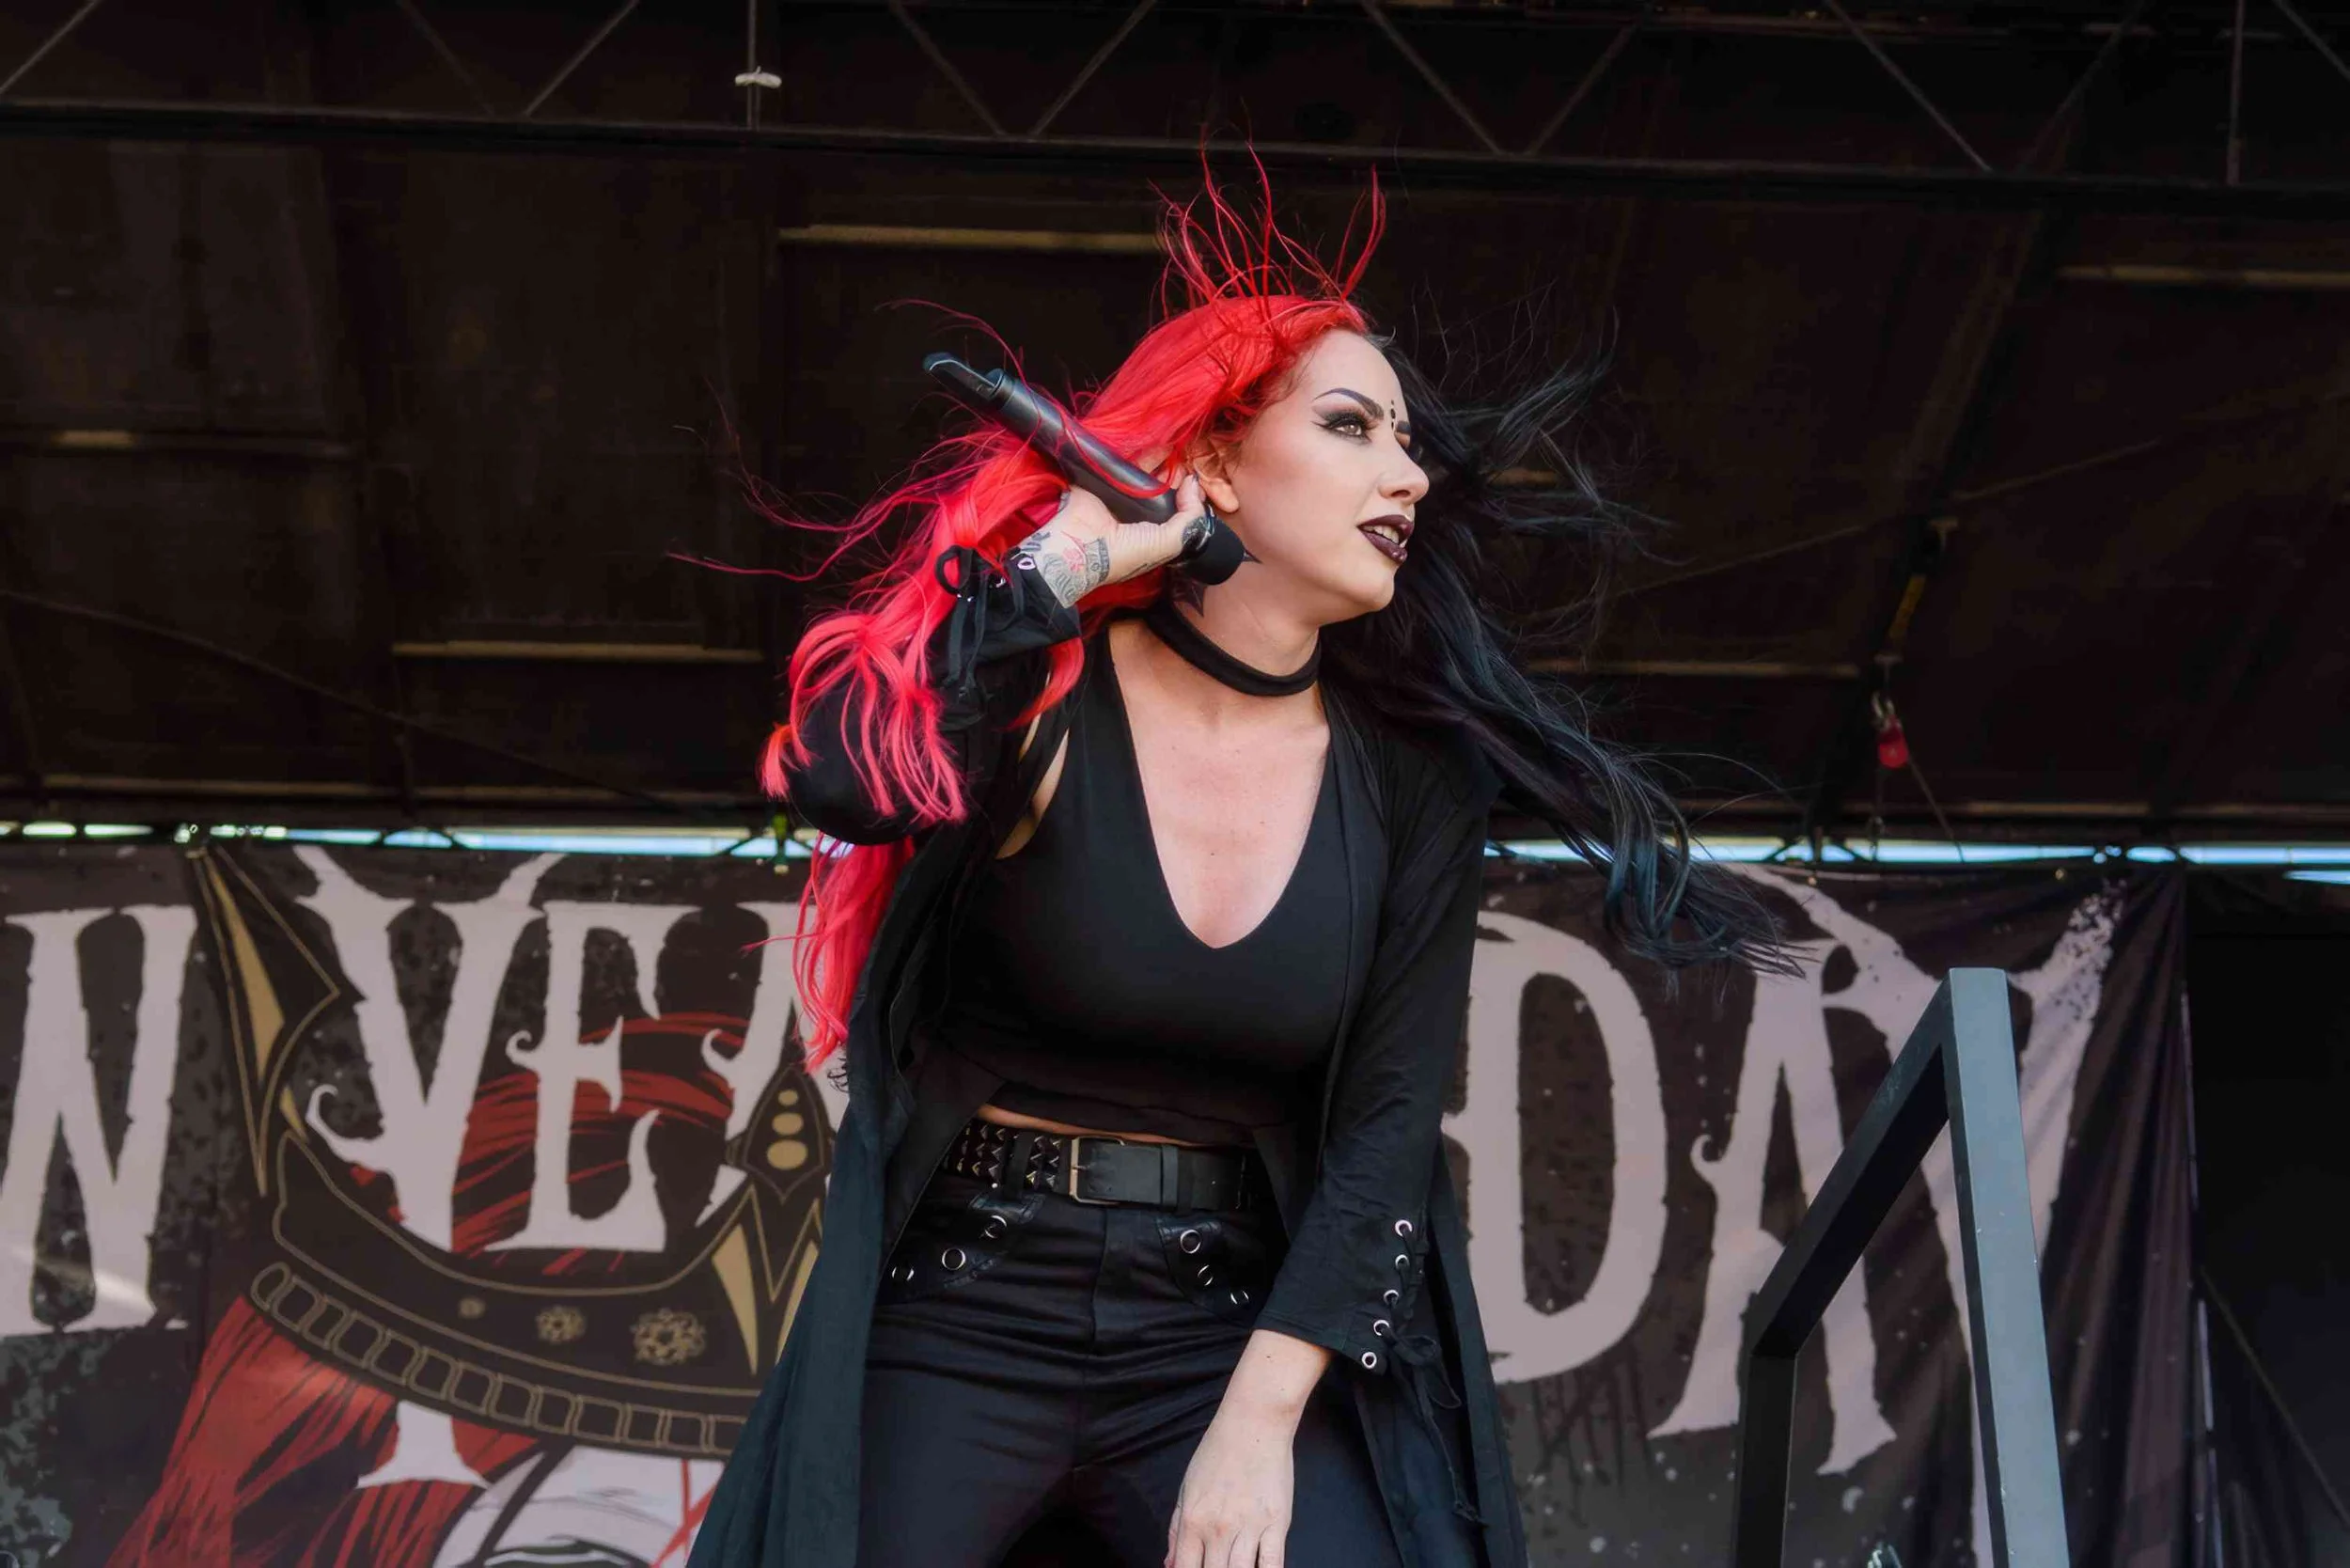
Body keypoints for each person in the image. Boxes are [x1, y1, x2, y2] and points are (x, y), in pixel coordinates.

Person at [689, 173, 1777, 1568]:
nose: (1408, 477)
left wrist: (1258, 1425)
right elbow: (844, 780)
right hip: (963, 1301)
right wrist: (1052, 577)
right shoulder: (1047, 691)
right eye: (1351, 426)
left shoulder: (1414, 781)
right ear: (1213, 458)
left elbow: (1387, 1128)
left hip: (1226, 1331)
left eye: (1408, 444)